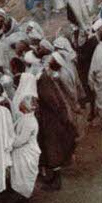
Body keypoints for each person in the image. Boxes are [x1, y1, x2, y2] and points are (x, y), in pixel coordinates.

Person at [36, 59, 78, 190]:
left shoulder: (43, 82)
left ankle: (56, 181)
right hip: (52, 120)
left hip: (51, 122)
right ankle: (54, 178)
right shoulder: (47, 81)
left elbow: (52, 102)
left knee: (53, 149)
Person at [9, 97, 41, 203]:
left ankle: (24, 197)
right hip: (23, 151)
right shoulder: (26, 118)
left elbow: (22, 140)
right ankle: (22, 194)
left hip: (26, 152)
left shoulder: (29, 121)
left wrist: (9, 143)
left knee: (23, 175)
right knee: (21, 175)